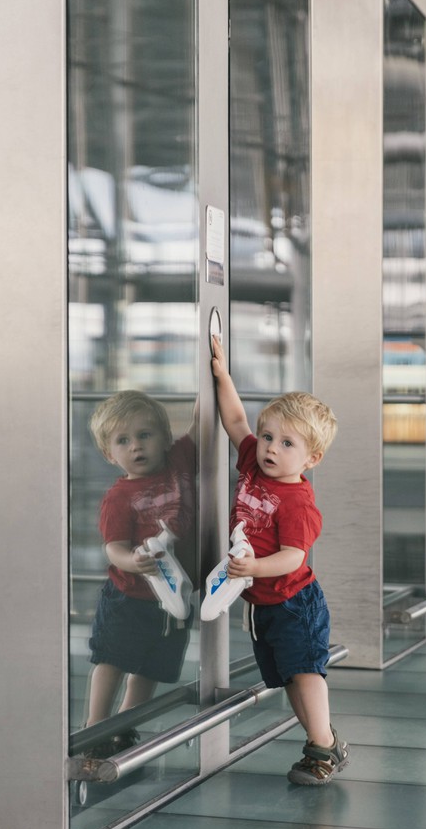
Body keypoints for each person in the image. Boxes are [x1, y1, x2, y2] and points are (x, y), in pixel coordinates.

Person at [210, 335, 346, 786]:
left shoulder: (298, 503)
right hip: (263, 605)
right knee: (287, 679)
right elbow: (233, 420)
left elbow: (293, 557)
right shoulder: (253, 464)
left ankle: (324, 747)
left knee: (305, 673)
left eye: (287, 444)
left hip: (293, 602)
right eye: (269, 436)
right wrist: (222, 375)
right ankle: (317, 740)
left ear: (312, 458)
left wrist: (253, 570)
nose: (271, 447)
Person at [75, 391, 195, 777]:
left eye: (145, 435)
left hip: (171, 600)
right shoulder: (118, 498)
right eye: (123, 441)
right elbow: (115, 548)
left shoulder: (178, 463)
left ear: (165, 438)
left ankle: (124, 727)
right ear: (110, 455)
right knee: (112, 659)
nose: (136, 446)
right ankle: (96, 727)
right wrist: (134, 562)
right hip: (129, 597)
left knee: (150, 668)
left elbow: (202, 424)